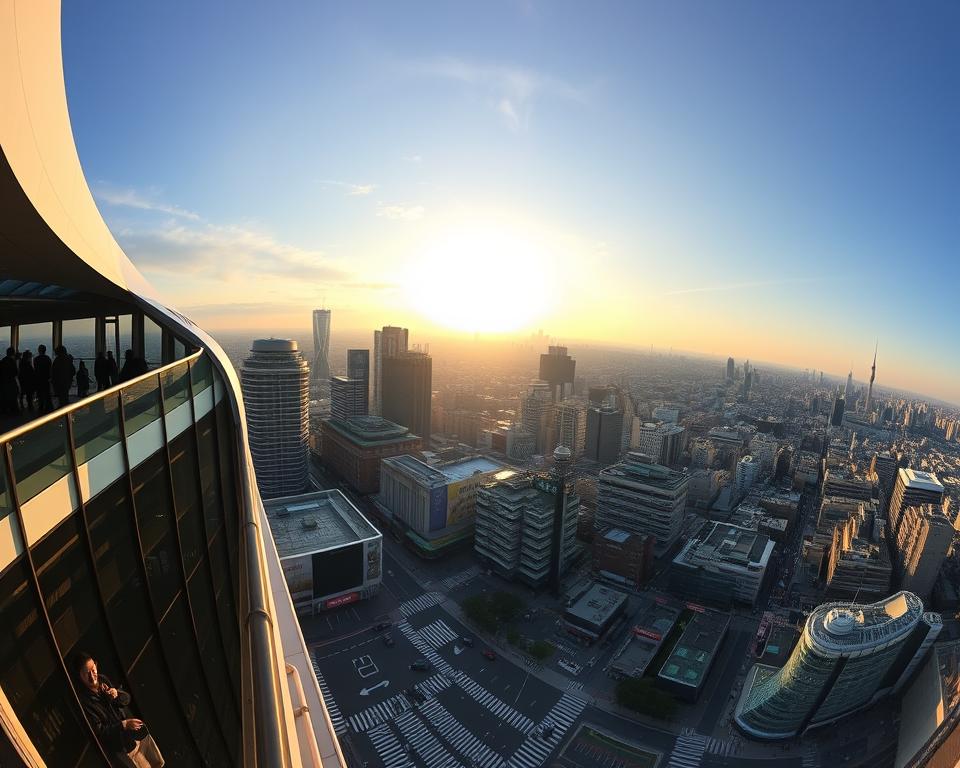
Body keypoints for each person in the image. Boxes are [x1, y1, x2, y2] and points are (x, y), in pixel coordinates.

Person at [73, 652, 164, 768]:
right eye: (87, 673)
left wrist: (116, 694)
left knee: (157, 763)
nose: (92, 676)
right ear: (80, 676)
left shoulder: (102, 679)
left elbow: (126, 699)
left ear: (96, 665)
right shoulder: (85, 701)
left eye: (93, 669)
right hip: (123, 748)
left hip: (136, 736)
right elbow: (100, 733)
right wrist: (124, 724)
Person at [33, 344, 53, 412]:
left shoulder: (36, 359)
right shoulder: (48, 359)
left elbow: (35, 370)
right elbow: (50, 369)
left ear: (39, 350)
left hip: (39, 379)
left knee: (40, 394)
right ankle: (48, 407)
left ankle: (41, 407)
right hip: (46, 379)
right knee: (47, 394)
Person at [0, 347, 18, 415]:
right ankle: (13, 410)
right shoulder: (12, 361)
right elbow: (15, 372)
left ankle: (4, 410)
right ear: (13, 353)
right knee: (12, 396)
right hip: (11, 382)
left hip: (4, 382)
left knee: (5, 397)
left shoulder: (2, 361)